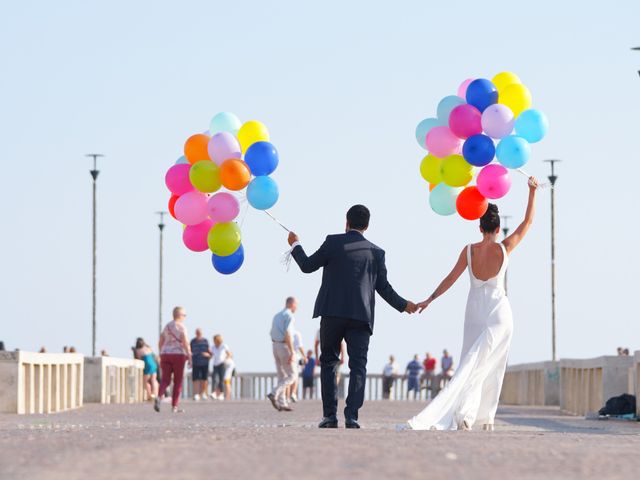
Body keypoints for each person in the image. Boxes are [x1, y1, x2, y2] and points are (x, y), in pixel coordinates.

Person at [403, 177, 538, 431]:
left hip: (474, 311)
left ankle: (470, 414)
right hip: (499, 312)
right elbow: (527, 222)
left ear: (479, 227)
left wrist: (429, 299)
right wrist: (532, 192)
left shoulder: (469, 251)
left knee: (471, 360)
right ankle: (482, 417)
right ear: (498, 229)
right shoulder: (505, 248)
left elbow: (450, 278)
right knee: (491, 363)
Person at [288, 204, 417, 428]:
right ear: (367, 226)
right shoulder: (377, 253)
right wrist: (404, 305)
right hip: (361, 315)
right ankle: (352, 416)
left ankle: (329, 416)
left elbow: (307, 266)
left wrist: (295, 245)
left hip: (332, 312)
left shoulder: (332, 242)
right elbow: (383, 288)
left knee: (328, 362)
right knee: (358, 366)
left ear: (346, 223)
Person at [155, 306, 192, 413]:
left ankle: (159, 396)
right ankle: (174, 406)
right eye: (184, 315)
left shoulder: (167, 326)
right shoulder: (181, 327)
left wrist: (161, 352)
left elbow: (161, 341)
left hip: (165, 354)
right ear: (180, 315)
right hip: (178, 355)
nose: (185, 317)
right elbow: (185, 342)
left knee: (165, 379)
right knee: (178, 381)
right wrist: (189, 355)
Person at [267, 297, 298, 412]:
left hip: (275, 345)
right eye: (296, 305)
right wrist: (291, 352)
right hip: (284, 346)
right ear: (291, 304)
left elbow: (271, 332)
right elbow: (288, 334)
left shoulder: (277, 315)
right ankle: (274, 393)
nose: (297, 307)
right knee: (292, 375)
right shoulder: (289, 315)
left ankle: (282, 402)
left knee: (282, 375)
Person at [190, 328, 211, 401]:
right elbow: (189, 351)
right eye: (197, 333)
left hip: (204, 362)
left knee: (204, 379)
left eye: (200, 333)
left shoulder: (205, 341)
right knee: (195, 379)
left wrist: (208, 355)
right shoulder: (192, 341)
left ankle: (203, 393)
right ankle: (196, 394)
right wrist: (189, 360)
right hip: (195, 362)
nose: (198, 334)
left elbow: (209, 352)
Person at [287, 329, 306, 403]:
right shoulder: (296, 333)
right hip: (295, 357)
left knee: (287, 377)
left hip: (286, 356)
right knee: (295, 377)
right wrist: (304, 356)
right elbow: (300, 346)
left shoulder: (283, 332)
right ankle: (293, 394)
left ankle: (287, 397)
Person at [211, 334, 231, 401]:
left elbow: (230, 354)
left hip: (222, 364)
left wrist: (226, 359)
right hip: (215, 364)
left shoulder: (223, 346)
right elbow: (211, 355)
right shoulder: (213, 347)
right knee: (214, 378)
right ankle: (214, 392)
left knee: (221, 379)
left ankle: (221, 394)